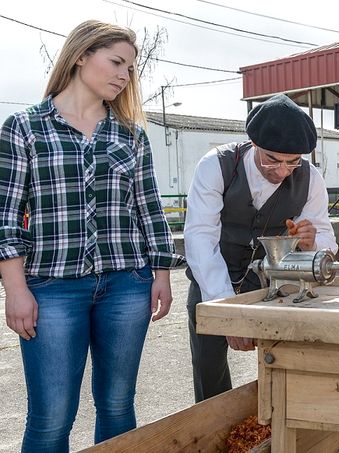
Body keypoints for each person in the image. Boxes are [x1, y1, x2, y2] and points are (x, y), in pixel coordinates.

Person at [0, 20, 183, 452]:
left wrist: (162, 274)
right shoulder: (24, 128)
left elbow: (149, 208)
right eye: (116, 62)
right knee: (51, 417)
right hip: (52, 289)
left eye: (131, 68)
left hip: (126, 285)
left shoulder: (131, 135)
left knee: (118, 406)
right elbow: (5, 215)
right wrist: (15, 289)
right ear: (81, 55)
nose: (124, 75)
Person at [184, 94, 337, 402]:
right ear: (253, 143)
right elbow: (201, 239)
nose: (282, 171)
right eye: (272, 159)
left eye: (292, 162)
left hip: (274, 284)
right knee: (207, 368)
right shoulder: (216, 166)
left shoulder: (311, 179)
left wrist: (312, 242)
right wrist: (227, 311)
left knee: (289, 364)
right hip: (212, 278)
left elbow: (326, 245)